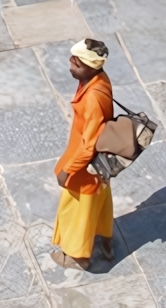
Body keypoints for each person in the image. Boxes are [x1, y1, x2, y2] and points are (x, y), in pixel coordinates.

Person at [51, 38, 116, 269]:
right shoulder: (98, 79)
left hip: (84, 165)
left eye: (76, 64)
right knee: (100, 199)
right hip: (97, 164)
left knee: (78, 208)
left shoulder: (93, 98)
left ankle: (79, 257)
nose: (71, 65)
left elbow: (89, 145)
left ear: (90, 67)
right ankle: (104, 240)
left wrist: (68, 169)